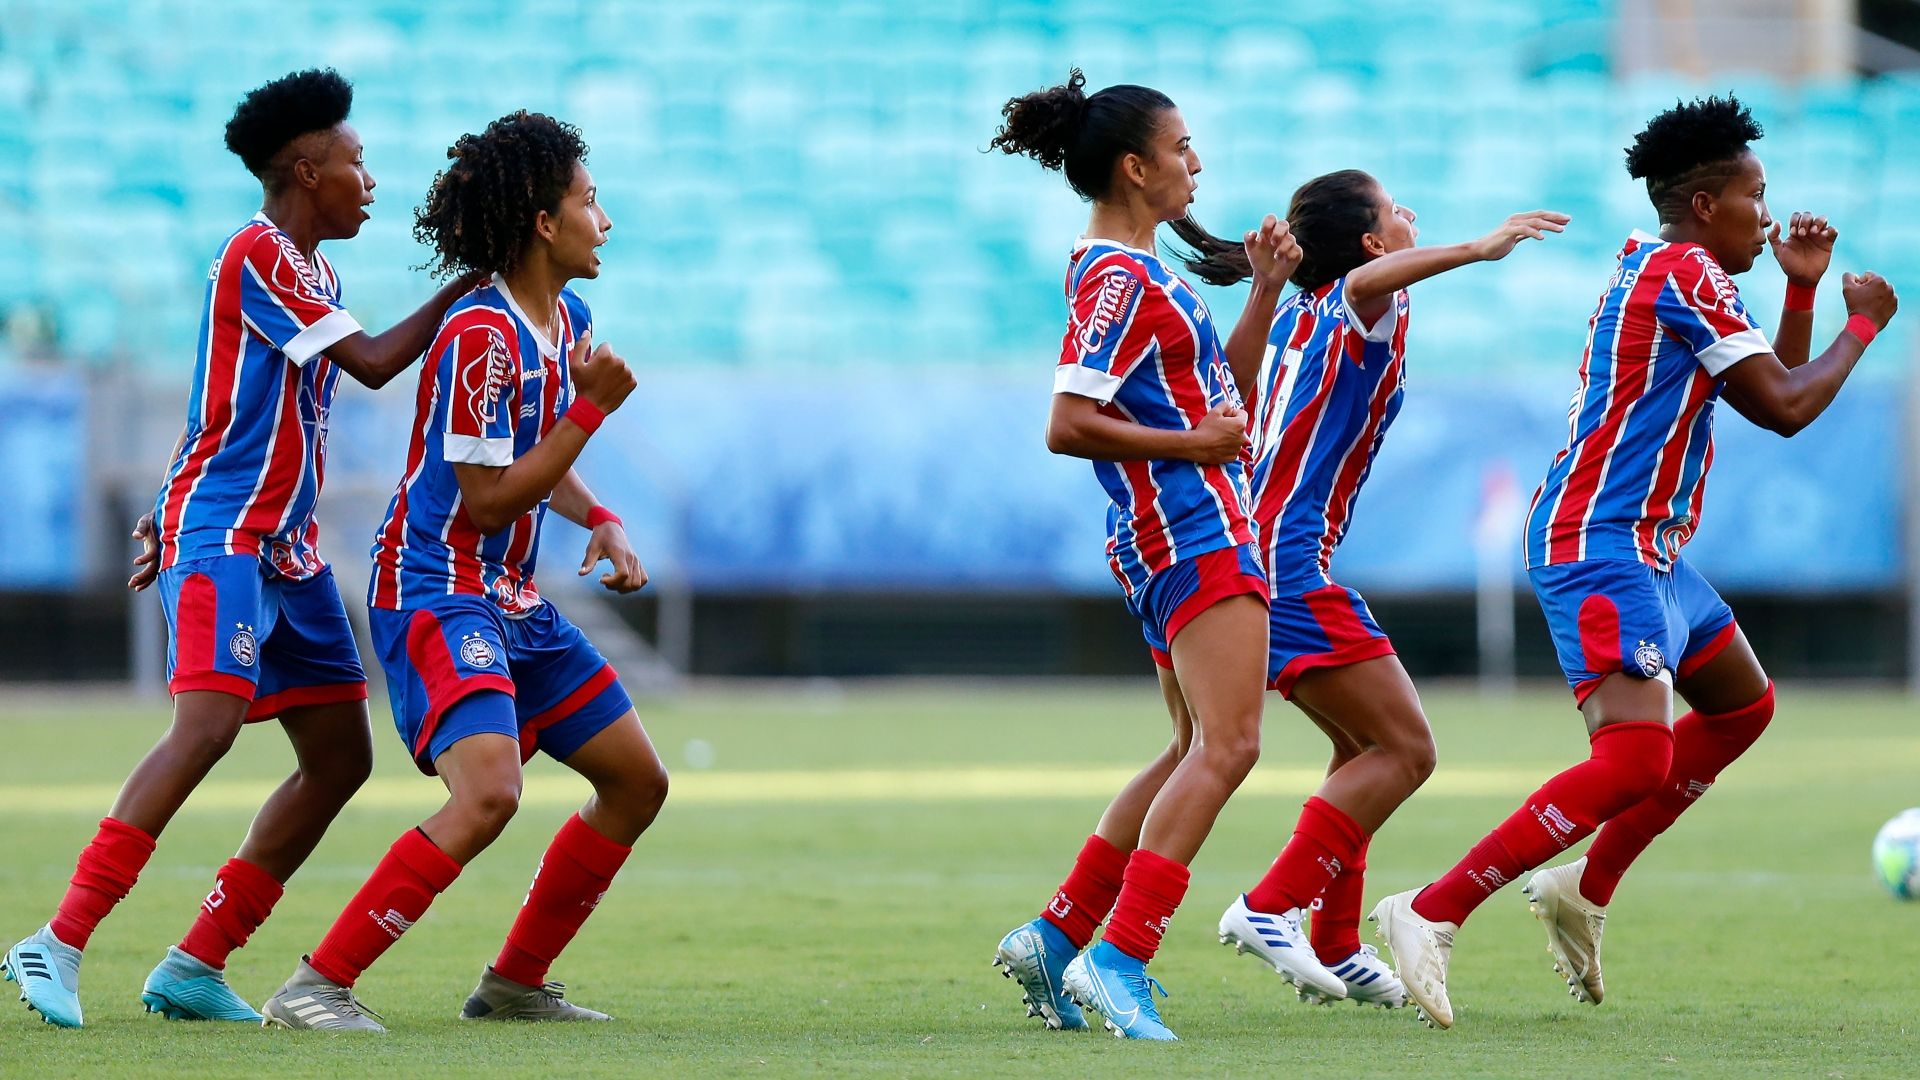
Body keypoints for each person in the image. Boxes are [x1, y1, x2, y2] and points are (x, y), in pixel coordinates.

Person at [1371, 95, 1899, 1029]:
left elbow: (1769, 392)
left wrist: (1803, 292)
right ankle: (1431, 909)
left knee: (1740, 706)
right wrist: (1861, 326)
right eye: (1755, 197)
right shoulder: (1684, 275)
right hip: (1597, 541)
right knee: (1634, 761)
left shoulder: (1673, 267)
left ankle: (1585, 885)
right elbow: (1785, 408)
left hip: (1647, 547)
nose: (1768, 216)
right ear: (1705, 204)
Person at [2, 68, 481, 1029]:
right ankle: (57, 939)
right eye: (356, 163)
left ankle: (194, 962)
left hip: (287, 549)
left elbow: (220, 405)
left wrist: (159, 506)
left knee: (340, 757)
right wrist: (472, 280)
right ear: (307, 171)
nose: (370, 181)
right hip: (224, 533)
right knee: (207, 727)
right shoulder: (257, 252)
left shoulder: (316, 273)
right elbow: (372, 365)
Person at [257, 110, 666, 1032]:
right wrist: (591, 413)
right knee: (488, 794)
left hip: (509, 597)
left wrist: (600, 516)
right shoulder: (480, 333)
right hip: (436, 586)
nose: (605, 221)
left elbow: (537, 457)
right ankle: (316, 984)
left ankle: (514, 983)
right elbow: (485, 501)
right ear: (543, 222)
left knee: (637, 780)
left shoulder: (569, 320)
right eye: (591, 201)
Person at [1176, 170, 1567, 1007]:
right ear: (1369, 243)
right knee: (1408, 750)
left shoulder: (1306, 310)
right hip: (1284, 564)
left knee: (1361, 749)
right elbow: (1367, 283)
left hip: (1261, 552)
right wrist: (1478, 248)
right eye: (1394, 211)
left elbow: (1362, 281)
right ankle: (1270, 904)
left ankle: (1337, 942)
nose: (1408, 214)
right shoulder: (1355, 302)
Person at [986, 70, 1301, 1041]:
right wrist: (1193, 447)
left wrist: (1265, 291)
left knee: (1190, 748)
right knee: (1231, 746)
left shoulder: (1137, 273)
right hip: (1190, 529)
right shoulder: (1119, 278)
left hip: (1174, 528)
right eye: (1181, 147)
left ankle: (1057, 938)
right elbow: (1067, 423)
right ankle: (1120, 957)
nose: (1196, 163)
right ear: (1135, 166)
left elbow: (1219, 399)